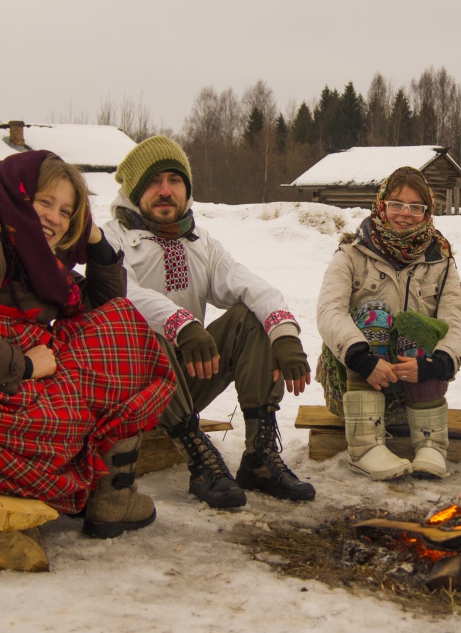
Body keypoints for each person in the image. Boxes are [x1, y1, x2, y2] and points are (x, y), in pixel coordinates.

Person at [0, 150, 176, 539]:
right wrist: (23, 365)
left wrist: (97, 243)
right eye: (44, 202)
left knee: (122, 332)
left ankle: (110, 493)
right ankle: (111, 494)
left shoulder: (25, 252)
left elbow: (101, 306)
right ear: (17, 196)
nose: (54, 219)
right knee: (123, 350)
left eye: (67, 212)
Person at [102, 136, 315, 509]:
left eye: (174, 180)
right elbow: (123, 293)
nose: (165, 190)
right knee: (138, 329)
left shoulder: (201, 243)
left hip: (184, 384)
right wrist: (181, 324)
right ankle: (200, 458)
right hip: (128, 393)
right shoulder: (111, 238)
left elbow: (250, 285)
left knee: (252, 317)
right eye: (153, 182)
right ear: (135, 191)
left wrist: (283, 333)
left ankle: (259, 456)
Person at [316, 167, 461, 481]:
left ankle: (430, 444)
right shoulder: (351, 253)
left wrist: (435, 365)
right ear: (382, 205)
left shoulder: (441, 260)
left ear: (427, 212)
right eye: (397, 204)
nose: (405, 214)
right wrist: (363, 358)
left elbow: (456, 321)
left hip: (413, 393)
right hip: (354, 383)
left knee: (417, 324)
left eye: (416, 207)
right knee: (375, 311)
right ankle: (365, 448)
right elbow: (328, 312)